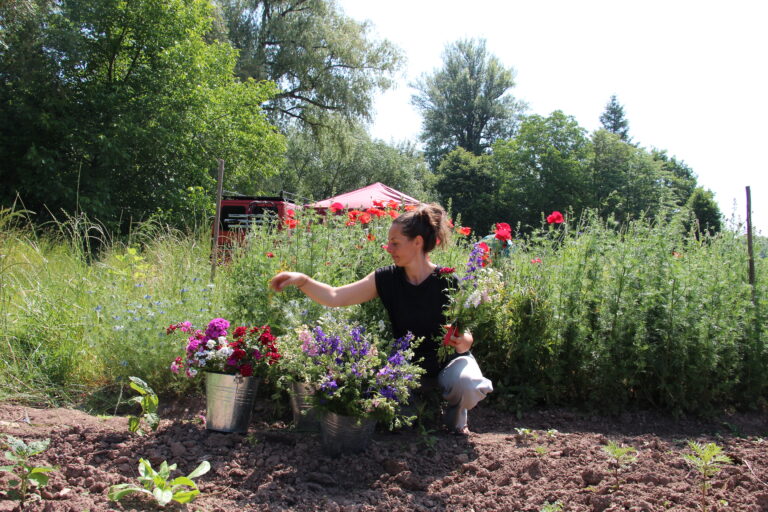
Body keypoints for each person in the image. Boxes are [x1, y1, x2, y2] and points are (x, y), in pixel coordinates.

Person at [269, 203, 493, 435]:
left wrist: (463, 340)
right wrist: (302, 280)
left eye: (395, 243)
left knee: (467, 384)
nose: (389, 248)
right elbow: (335, 296)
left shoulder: (448, 280)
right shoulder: (386, 279)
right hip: (407, 368)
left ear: (417, 242)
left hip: (449, 364)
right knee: (399, 423)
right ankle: (423, 406)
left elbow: (466, 335)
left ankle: (456, 421)